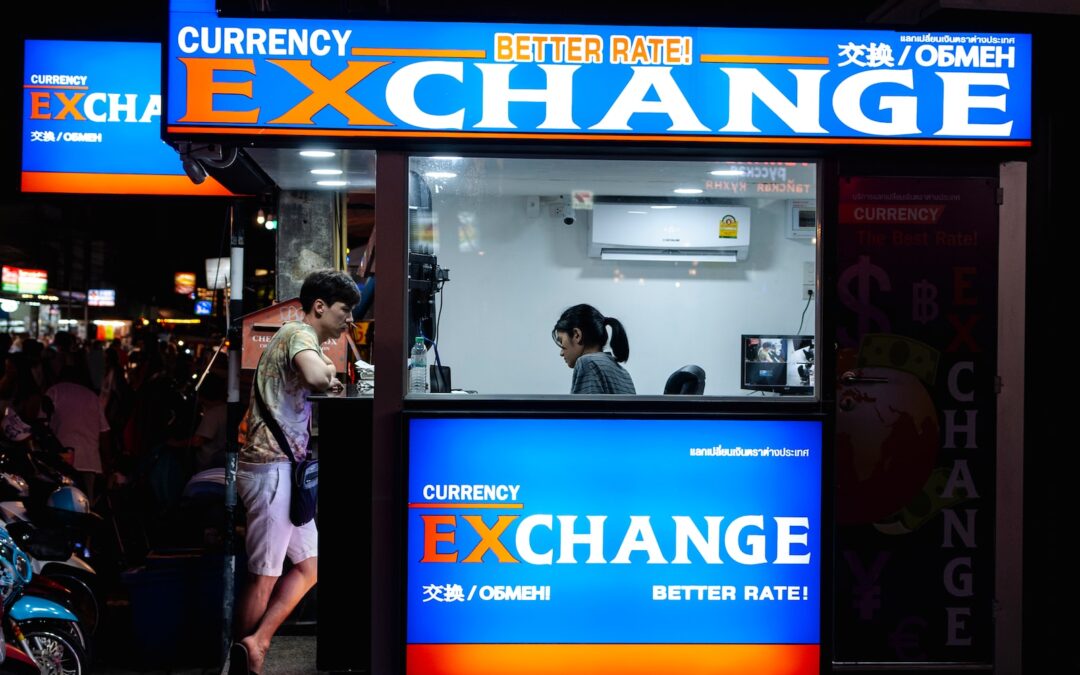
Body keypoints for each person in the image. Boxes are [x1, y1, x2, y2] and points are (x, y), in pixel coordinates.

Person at [229, 269, 359, 675]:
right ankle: (237, 659)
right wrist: (329, 374)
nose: (349, 320)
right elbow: (318, 376)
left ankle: (258, 640)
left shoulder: (295, 337)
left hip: (281, 469)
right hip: (271, 470)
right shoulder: (299, 335)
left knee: (310, 566)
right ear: (319, 307)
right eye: (344, 310)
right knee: (263, 576)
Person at [552, 303, 636, 395]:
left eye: (561, 341)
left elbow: (586, 409)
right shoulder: (624, 373)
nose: (561, 353)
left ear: (577, 335)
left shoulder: (587, 362)